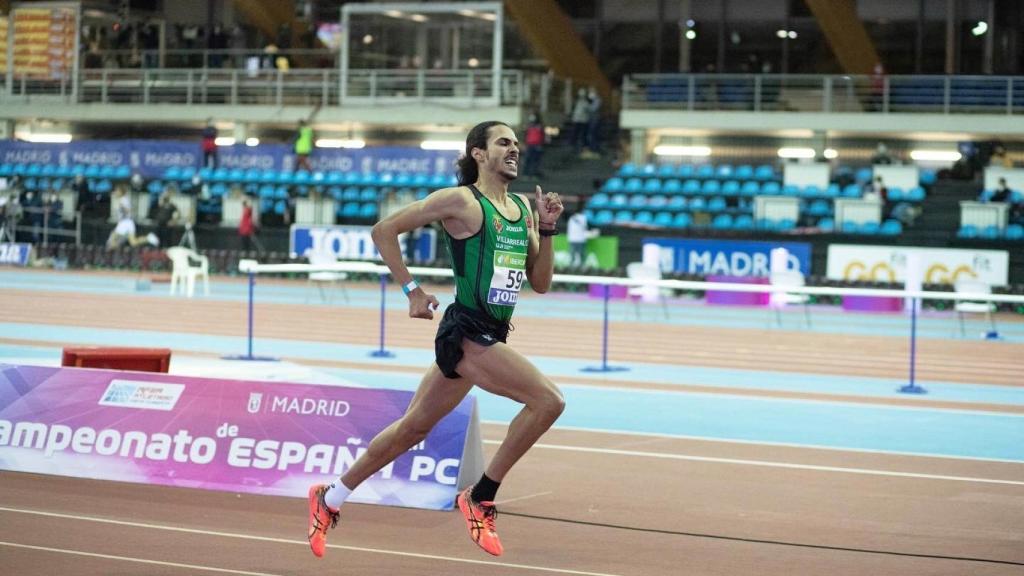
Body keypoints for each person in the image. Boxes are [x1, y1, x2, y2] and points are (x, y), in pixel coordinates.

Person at [306, 120, 566, 560]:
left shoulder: (522, 209)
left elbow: (539, 283)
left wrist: (545, 228)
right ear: (478, 154)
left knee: (413, 427)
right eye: (503, 142)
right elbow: (383, 230)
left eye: (517, 143)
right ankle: (480, 496)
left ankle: (331, 496)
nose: (514, 149)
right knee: (548, 401)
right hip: (467, 331)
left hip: (490, 333)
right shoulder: (461, 201)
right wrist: (412, 291)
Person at [567, 201, 592, 268]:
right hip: (574, 239)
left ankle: (582, 267)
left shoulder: (583, 218)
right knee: (573, 255)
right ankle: (571, 267)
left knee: (581, 254)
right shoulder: (572, 218)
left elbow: (585, 227)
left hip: (580, 239)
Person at [523, 112, 545, 177]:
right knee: (528, 160)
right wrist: (525, 144)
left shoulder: (540, 126)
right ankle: (526, 173)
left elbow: (542, 136)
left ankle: (535, 173)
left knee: (536, 160)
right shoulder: (529, 126)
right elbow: (526, 135)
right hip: (530, 144)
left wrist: (541, 144)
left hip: (537, 145)